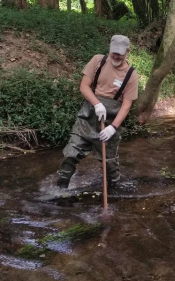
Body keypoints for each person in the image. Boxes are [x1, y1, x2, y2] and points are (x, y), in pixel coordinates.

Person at [57, 35, 139, 188]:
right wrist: (97, 104)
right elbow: (84, 86)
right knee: (70, 154)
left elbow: (126, 106)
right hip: (87, 118)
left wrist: (112, 128)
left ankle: (114, 191)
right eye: (114, 52)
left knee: (110, 165)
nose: (116, 56)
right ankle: (60, 189)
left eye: (120, 53)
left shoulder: (131, 75)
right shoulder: (97, 61)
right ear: (109, 48)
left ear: (127, 52)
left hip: (109, 122)